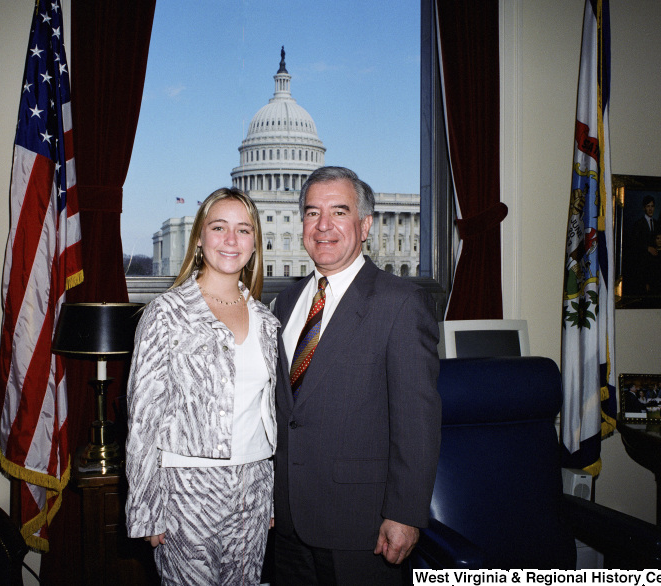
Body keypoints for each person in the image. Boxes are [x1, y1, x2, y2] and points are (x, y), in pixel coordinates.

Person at [272, 166, 441, 585]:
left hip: (360, 526)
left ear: (365, 225)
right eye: (312, 213)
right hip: (285, 522)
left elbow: (416, 422)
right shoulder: (285, 302)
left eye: (339, 212)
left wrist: (404, 514)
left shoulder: (401, 303)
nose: (323, 226)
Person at [125, 187, 280, 585]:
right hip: (185, 491)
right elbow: (143, 419)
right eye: (219, 227)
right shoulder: (165, 314)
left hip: (252, 487)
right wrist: (145, 508)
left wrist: (268, 494)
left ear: (254, 244)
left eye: (243, 230)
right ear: (199, 238)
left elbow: (265, 412)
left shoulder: (266, 320)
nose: (231, 240)